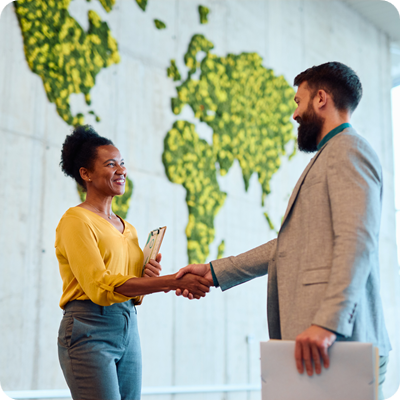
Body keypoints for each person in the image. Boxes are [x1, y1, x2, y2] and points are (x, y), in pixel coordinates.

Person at [176, 62, 391, 399]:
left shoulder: (350, 151)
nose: (295, 114)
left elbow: (357, 240)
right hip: (322, 344)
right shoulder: (331, 155)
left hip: (342, 342)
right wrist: (214, 272)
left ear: (321, 99)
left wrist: (328, 323)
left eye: (298, 101)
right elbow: (288, 246)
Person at [56, 125, 210, 400]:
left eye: (122, 163)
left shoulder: (129, 229)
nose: (121, 170)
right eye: (111, 164)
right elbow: (100, 286)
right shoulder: (76, 220)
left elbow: (127, 288)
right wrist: (171, 281)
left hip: (127, 324)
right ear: (86, 174)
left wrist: (147, 278)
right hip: (88, 326)